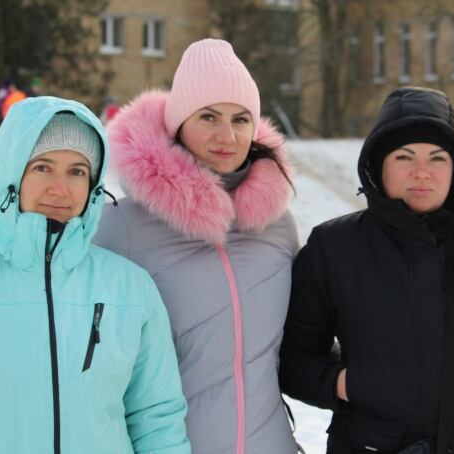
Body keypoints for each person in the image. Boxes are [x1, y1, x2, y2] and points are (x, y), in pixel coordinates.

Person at [0, 97, 190, 453]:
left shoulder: (130, 288)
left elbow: (157, 420)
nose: (61, 188)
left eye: (77, 171)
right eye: (43, 167)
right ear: (12, 175)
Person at [278, 87, 454, 454]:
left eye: (438, 158)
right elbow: (293, 359)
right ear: (378, 166)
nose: (422, 172)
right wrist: (346, 383)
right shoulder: (334, 247)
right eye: (404, 156)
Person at [94, 38, 300, 453]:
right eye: (208, 116)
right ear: (178, 124)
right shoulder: (123, 226)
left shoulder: (277, 227)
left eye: (241, 119)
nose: (227, 135)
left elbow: (303, 340)